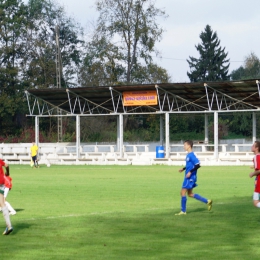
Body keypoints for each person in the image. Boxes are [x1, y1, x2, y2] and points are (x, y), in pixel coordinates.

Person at [175, 140, 212, 215]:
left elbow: (198, 165)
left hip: (190, 177)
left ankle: (183, 211)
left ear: (189, 146)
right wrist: (184, 169)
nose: (184, 147)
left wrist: (190, 172)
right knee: (190, 194)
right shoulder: (188, 155)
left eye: (185, 145)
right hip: (189, 177)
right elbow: (190, 165)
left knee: (182, 192)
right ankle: (207, 201)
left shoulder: (192, 155)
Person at [0, 159, 13, 235]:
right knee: (2, 203)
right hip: (1, 182)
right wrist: (7, 172)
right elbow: (7, 165)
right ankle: (9, 226)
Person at [249, 141, 260, 208]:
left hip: (259, 181)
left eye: (253, 146)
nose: (251, 147)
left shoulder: (256, 157)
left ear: (257, 148)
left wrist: (252, 174)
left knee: (255, 202)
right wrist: (254, 166)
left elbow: (259, 170)